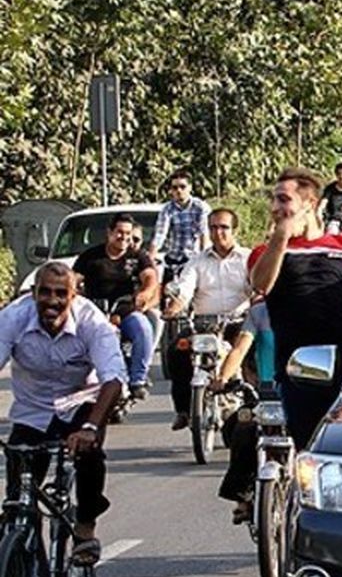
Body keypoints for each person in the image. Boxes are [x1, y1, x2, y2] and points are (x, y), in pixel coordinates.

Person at [249, 168, 342, 447]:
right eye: (274, 201)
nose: (276, 208)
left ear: (309, 204)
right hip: (297, 369)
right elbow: (261, 285)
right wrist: (281, 237)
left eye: (284, 200)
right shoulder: (266, 253)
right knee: (308, 447)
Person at [0, 263, 126, 565]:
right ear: (33, 294)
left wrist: (91, 428)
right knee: (18, 493)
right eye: (45, 292)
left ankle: (85, 529)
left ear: (74, 295)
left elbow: (113, 380)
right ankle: (18, 563)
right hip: (32, 410)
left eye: (61, 294)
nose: (52, 301)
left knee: (90, 456)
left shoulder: (92, 322)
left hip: (81, 403)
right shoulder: (13, 318)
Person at [162, 208, 252, 431]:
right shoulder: (197, 261)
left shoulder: (248, 258)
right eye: (213, 227)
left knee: (255, 353)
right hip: (203, 324)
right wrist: (174, 306)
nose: (218, 232)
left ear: (234, 230)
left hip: (238, 322)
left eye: (223, 227)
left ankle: (254, 405)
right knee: (176, 351)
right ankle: (184, 410)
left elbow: (257, 287)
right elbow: (184, 289)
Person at [71, 212, 158, 398]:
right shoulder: (90, 257)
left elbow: (150, 277)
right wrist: (71, 294)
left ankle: (137, 380)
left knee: (144, 329)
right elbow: (73, 281)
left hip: (125, 311)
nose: (124, 238)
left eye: (128, 234)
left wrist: (145, 292)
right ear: (109, 232)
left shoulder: (138, 256)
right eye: (119, 232)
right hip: (95, 313)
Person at [213, 299, 274, 524]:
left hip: (305, 394)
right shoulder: (259, 314)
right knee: (240, 426)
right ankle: (243, 498)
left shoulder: (314, 308)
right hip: (268, 395)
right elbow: (239, 350)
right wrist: (223, 378)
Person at [147, 169, 211, 284]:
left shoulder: (200, 207)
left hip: (193, 261)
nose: (179, 191)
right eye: (175, 188)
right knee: (165, 294)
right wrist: (149, 259)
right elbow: (160, 235)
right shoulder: (167, 209)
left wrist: (204, 261)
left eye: (182, 187)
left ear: (190, 187)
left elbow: (203, 234)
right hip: (172, 260)